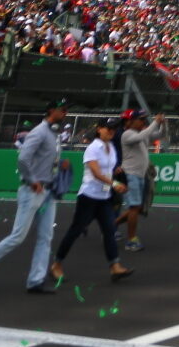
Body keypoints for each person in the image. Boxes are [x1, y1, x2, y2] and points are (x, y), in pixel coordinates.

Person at [0, 100, 67, 294]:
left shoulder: (53, 133)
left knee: (45, 237)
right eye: (62, 109)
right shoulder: (39, 132)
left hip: (48, 190)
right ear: (51, 111)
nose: (65, 112)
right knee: (18, 236)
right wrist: (32, 180)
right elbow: (23, 158)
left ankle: (36, 280)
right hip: (33, 190)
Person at [49, 121, 133, 286]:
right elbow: (95, 173)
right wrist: (114, 184)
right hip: (88, 196)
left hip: (104, 197)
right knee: (75, 230)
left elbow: (109, 170)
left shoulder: (111, 149)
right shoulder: (93, 148)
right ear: (99, 129)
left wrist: (116, 178)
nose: (112, 131)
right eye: (108, 128)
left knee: (109, 230)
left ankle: (115, 266)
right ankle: (56, 264)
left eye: (114, 129)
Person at [115, 109, 164, 252]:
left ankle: (111, 226)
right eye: (141, 119)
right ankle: (131, 240)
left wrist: (163, 124)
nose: (143, 122)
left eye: (144, 120)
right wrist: (155, 122)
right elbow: (145, 134)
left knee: (138, 208)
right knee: (135, 208)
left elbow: (161, 135)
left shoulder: (141, 134)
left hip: (140, 175)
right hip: (130, 175)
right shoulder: (127, 134)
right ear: (131, 121)